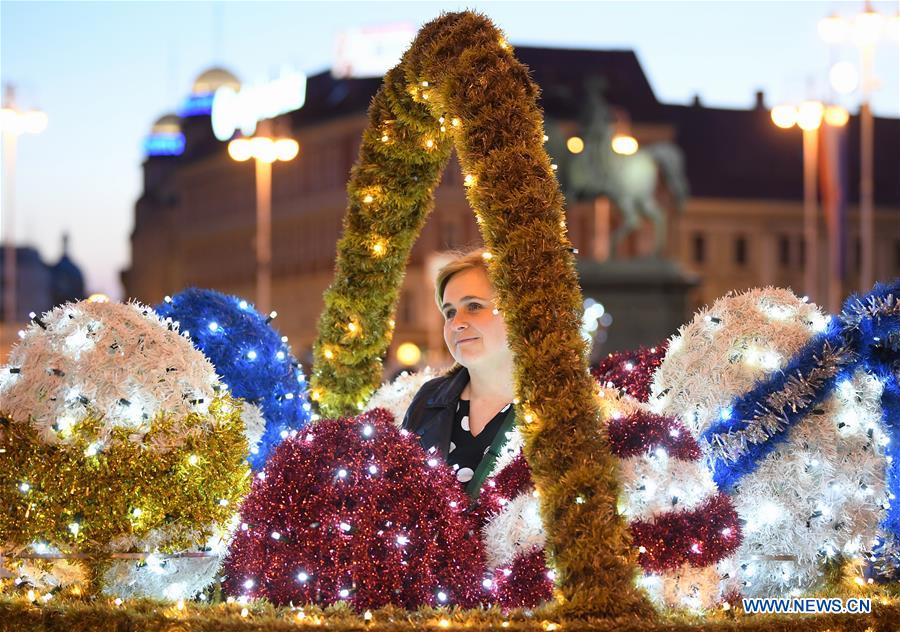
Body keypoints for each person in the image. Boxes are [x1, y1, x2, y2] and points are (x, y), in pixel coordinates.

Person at [401, 250, 516, 498]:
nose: (456, 323)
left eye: (473, 306)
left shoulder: (554, 406)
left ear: (515, 312)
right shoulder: (429, 400)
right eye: (449, 312)